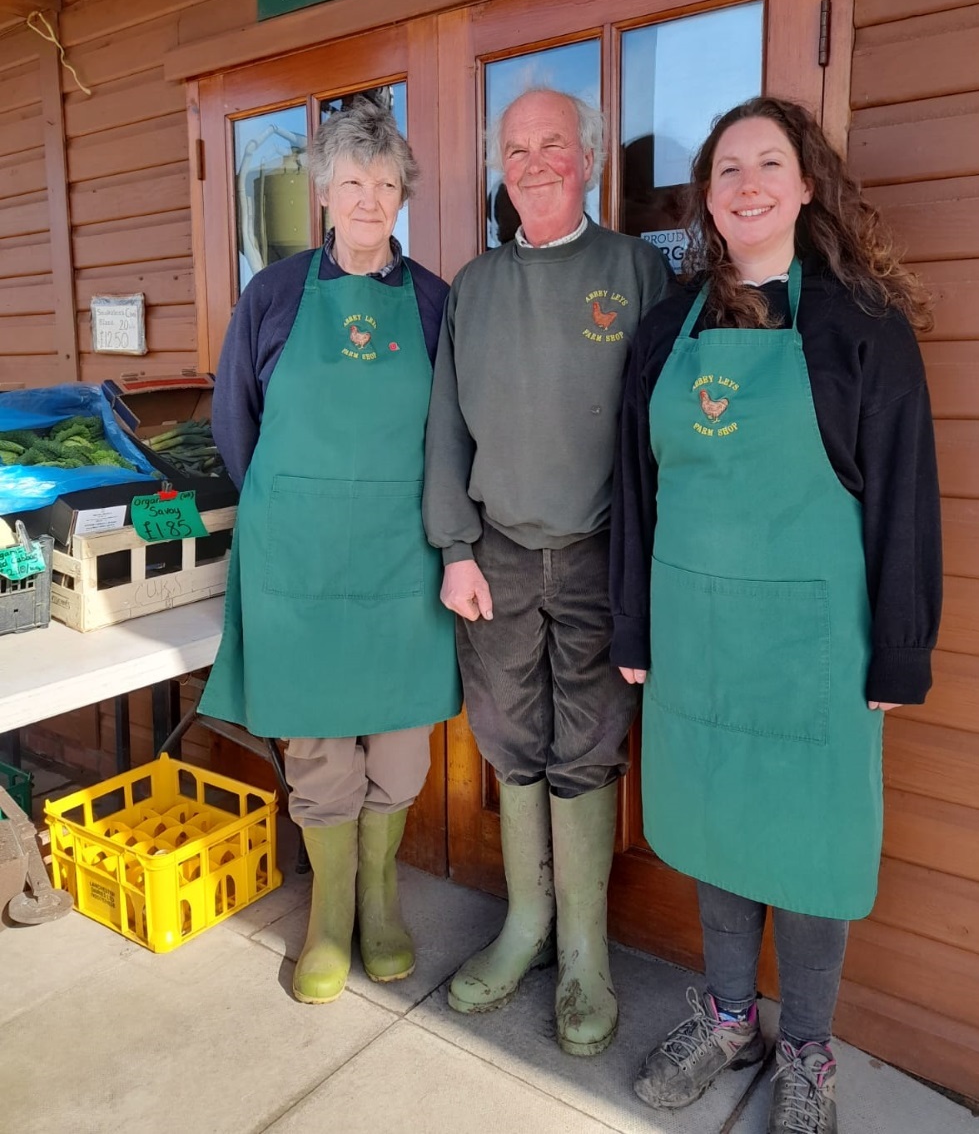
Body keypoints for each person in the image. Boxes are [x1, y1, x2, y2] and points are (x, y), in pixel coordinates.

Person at [611, 96, 941, 1131]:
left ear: (806, 185)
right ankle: (725, 1018)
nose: (747, 184)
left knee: (808, 845)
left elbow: (904, 496)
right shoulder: (668, 328)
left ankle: (806, 1050)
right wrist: (632, 629)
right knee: (716, 829)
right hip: (695, 637)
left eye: (769, 164)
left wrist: (899, 653)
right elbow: (633, 489)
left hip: (816, 648)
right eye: (727, 171)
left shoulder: (861, 326)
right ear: (708, 200)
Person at [423, 87, 670, 1055]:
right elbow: (444, 427)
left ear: (591, 157)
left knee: (592, 742)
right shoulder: (473, 288)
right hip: (500, 559)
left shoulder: (637, 271)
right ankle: (526, 925)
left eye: (552, 145)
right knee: (509, 736)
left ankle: (585, 954)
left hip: (603, 555)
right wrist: (453, 549)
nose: (532, 164)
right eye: (515, 149)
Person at [202, 99, 460, 1004]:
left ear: (401, 198)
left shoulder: (432, 300)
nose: (368, 198)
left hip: (401, 557)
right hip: (298, 559)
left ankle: (380, 898)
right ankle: (329, 911)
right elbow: (235, 423)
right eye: (352, 181)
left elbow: (451, 434)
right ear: (322, 194)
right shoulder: (271, 296)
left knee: (397, 746)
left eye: (385, 184)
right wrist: (293, 505)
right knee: (315, 747)